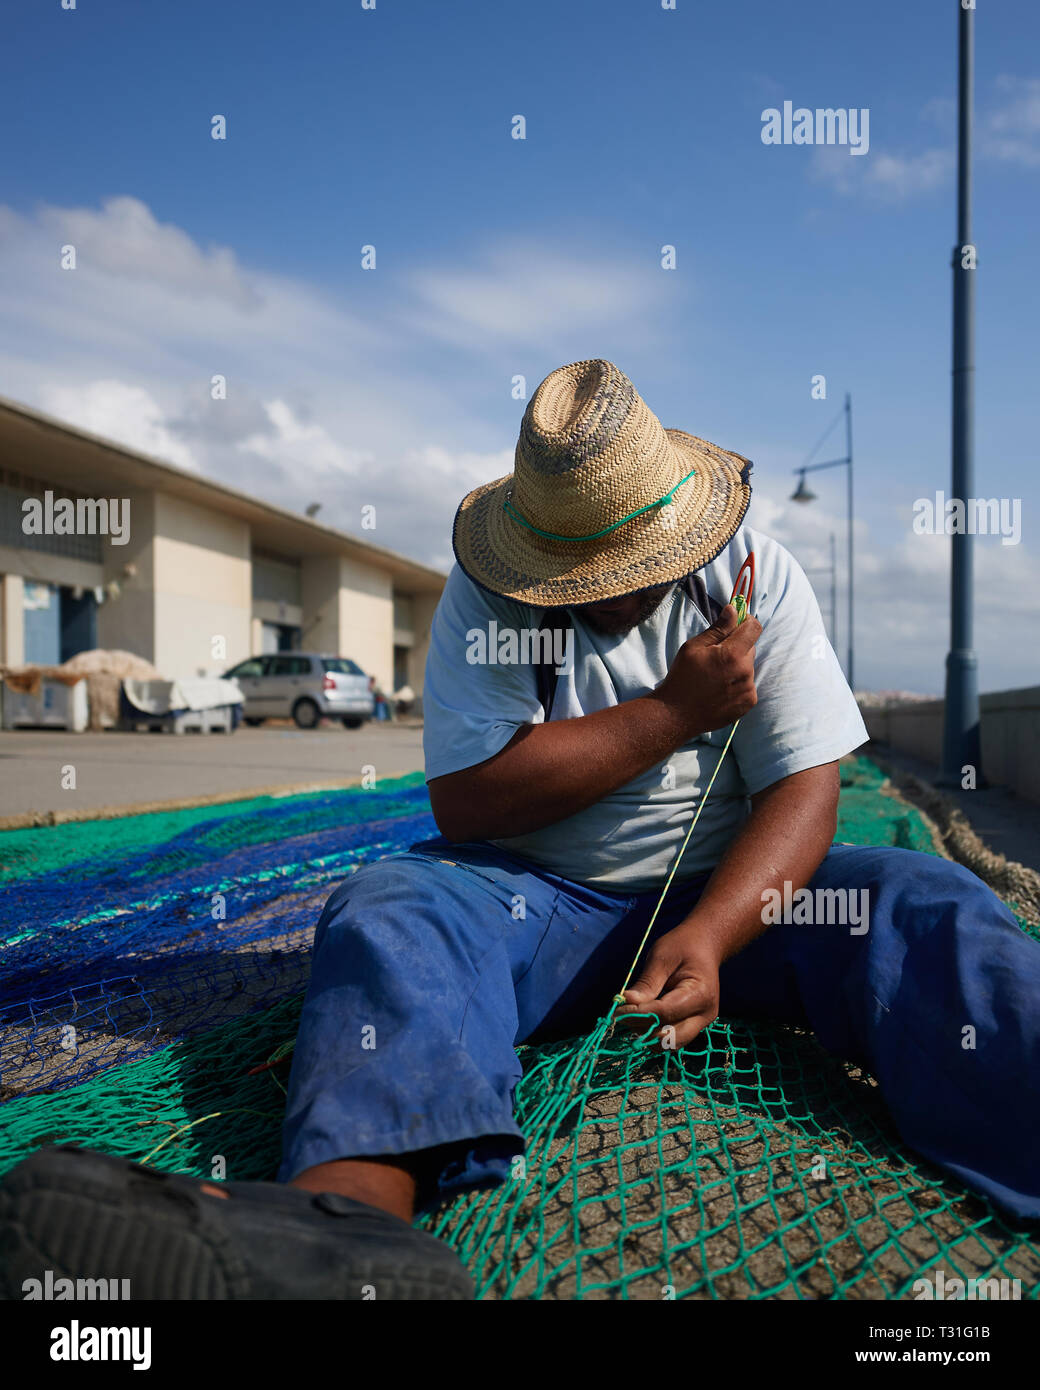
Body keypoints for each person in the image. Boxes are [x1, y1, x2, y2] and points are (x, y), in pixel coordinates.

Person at [2, 360, 1037, 1302]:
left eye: (633, 567)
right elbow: (471, 802)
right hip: (535, 905)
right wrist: (674, 710)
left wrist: (716, 932)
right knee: (392, 905)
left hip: (739, 899)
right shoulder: (486, 598)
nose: (614, 594)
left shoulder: (754, 579)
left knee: (917, 899)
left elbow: (804, 786)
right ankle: (343, 1234)